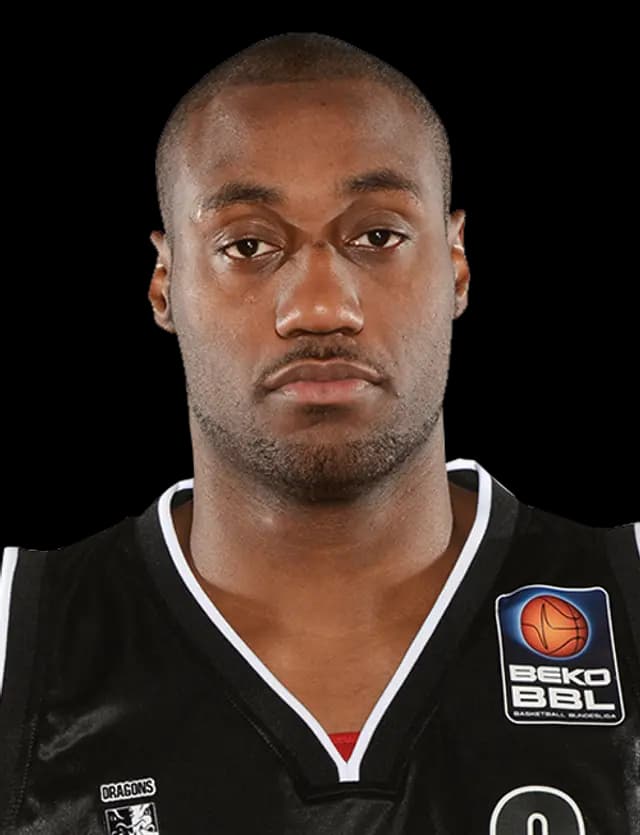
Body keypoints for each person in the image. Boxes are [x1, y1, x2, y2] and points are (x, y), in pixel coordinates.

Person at [0, 31, 637, 835]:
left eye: (377, 236)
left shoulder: (627, 596)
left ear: (457, 263)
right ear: (166, 285)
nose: (320, 308)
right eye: (248, 245)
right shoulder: (18, 634)